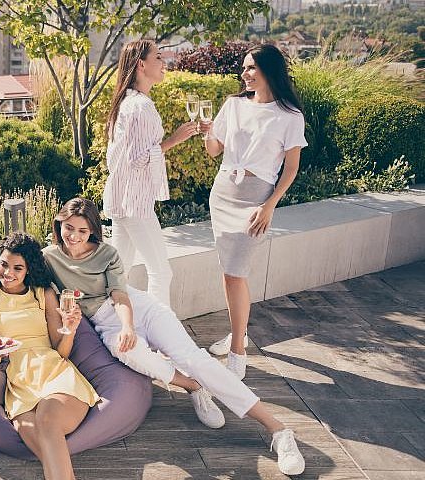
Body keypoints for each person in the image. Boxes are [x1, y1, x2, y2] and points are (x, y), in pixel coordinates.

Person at [42, 197, 306, 476]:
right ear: (59, 224)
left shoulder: (107, 254)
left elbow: (120, 295)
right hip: (104, 322)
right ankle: (192, 387)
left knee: (195, 359)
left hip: (136, 309)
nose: (74, 236)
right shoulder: (50, 257)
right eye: (69, 228)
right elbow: (19, 266)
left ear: (93, 231)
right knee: (130, 353)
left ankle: (278, 430)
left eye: (82, 231)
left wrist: (129, 326)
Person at [203, 44, 308, 379]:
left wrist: (269, 205)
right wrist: (207, 133)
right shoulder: (233, 105)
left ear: (269, 71)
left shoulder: (290, 116)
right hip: (222, 193)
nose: (244, 74)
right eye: (243, 68)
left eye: (251, 68)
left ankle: (238, 348)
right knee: (228, 272)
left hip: (255, 200)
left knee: (236, 272)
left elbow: (290, 168)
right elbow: (213, 152)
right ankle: (239, 333)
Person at [0, 232, 99, 480]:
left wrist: (70, 330)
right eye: (4, 264)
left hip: (53, 372)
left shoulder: (43, 293)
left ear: (29, 270)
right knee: (40, 443)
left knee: (48, 418)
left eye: (18, 268)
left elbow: (60, 350)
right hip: (19, 383)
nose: (8, 273)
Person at [103, 39, 201, 307]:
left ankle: (110, 325)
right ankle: (162, 337)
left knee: (118, 271)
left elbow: (119, 157)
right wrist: (174, 139)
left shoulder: (128, 101)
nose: (164, 62)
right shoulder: (141, 107)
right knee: (160, 271)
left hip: (123, 198)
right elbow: (137, 159)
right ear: (141, 65)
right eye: (158, 57)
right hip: (135, 202)